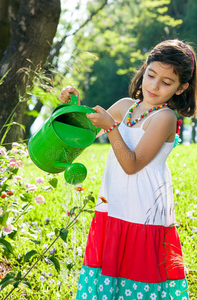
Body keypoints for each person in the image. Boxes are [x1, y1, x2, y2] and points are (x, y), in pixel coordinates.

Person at [59, 39, 197, 300]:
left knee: (139, 280)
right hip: (114, 208)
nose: (154, 86)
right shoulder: (125, 106)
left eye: (167, 82)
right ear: (144, 69)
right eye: (151, 75)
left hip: (144, 216)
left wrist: (111, 127)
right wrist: (71, 104)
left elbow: (131, 164)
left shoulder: (165, 118)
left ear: (182, 87)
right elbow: (86, 131)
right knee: (112, 278)